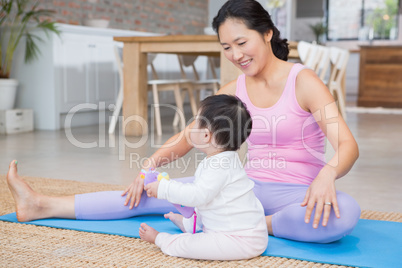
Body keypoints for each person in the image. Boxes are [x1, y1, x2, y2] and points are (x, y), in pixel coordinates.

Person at [6, 0, 360, 244]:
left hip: (295, 194)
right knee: (152, 191)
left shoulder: (304, 82)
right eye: (226, 47)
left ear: (267, 33)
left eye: (241, 42)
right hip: (242, 186)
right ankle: (44, 205)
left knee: (344, 213)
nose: (236, 55)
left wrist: (326, 175)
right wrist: (149, 166)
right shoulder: (233, 89)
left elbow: (347, 144)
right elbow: (190, 135)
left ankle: (245, 225)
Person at [138, 94, 268, 260]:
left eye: (195, 122)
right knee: (208, 205)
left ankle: (161, 239)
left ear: (206, 136)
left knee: (190, 244)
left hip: (241, 240)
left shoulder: (219, 166)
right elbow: (206, 200)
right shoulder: (221, 159)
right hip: (234, 228)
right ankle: (189, 223)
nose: (190, 127)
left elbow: (198, 195)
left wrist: (164, 188)